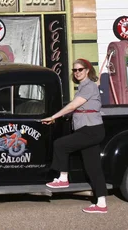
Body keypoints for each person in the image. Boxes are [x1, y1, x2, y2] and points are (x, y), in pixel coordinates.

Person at [41, 58, 108, 214]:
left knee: (60, 145)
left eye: (80, 70)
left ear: (87, 70)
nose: (77, 72)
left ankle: (63, 178)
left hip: (91, 129)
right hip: (87, 129)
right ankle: (102, 203)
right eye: (74, 70)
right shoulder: (83, 87)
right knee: (93, 168)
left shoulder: (89, 87)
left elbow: (72, 106)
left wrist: (53, 117)